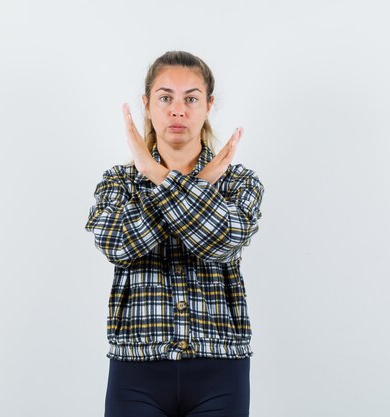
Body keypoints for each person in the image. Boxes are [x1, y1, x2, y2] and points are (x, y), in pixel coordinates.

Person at [84, 51, 265, 417]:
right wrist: (196, 186)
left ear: (208, 105)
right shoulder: (117, 182)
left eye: (191, 98)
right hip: (136, 367)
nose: (178, 110)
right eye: (166, 97)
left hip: (220, 365)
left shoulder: (240, 183)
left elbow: (222, 242)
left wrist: (154, 171)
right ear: (147, 105)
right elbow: (118, 245)